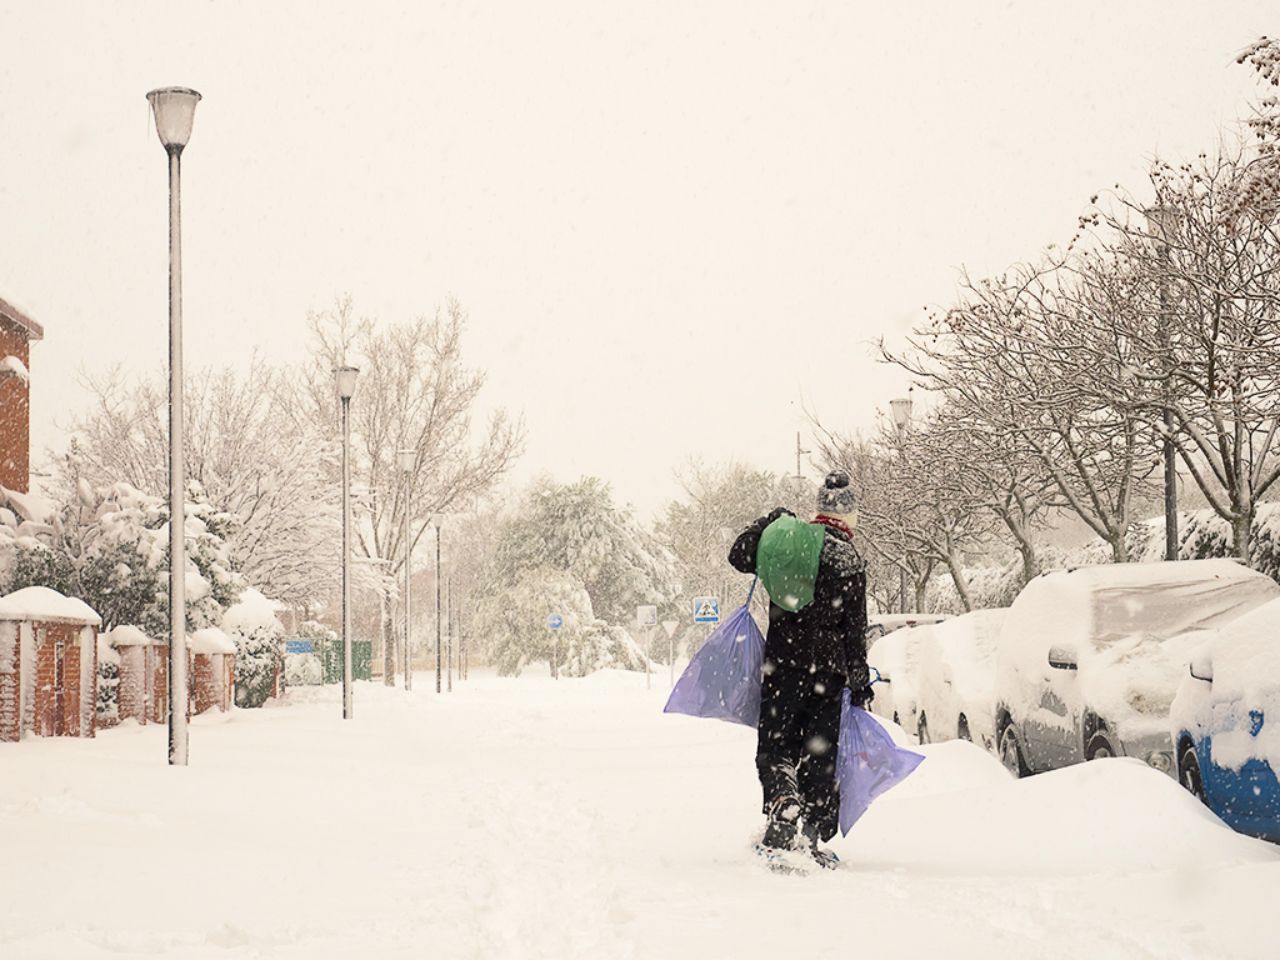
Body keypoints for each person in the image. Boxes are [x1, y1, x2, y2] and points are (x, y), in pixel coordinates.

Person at [728, 470, 871, 866]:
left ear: (819, 510)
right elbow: (855, 627)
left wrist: (767, 522)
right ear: (848, 516)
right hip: (828, 670)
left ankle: (782, 801)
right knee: (819, 752)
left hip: (784, 664)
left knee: (776, 744)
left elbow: (738, 554)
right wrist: (860, 684)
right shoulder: (849, 558)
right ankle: (808, 833)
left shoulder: (788, 543)